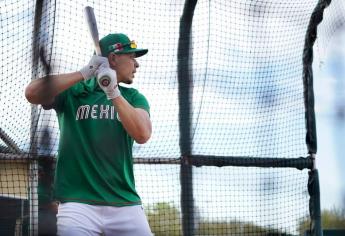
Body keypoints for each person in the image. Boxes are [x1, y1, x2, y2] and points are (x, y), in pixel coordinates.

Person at [25, 33, 153, 236]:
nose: (136, 64)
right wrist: (85, 72)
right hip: (77, 204)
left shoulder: (133, 97)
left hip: (125, 204)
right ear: (113, 58)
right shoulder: (75, 91)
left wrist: (113, 92)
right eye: (131, 56)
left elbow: (143, 134)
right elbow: (32, 93)